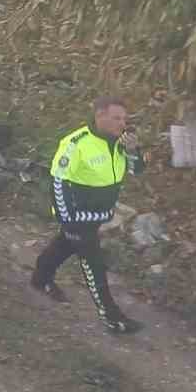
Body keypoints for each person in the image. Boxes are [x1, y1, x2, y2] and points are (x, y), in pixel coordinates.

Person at [31, 97, 147, 335]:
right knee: (94, 262)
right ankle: (112, 317)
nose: (122, 123)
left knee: (64, 245)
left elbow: (137, 170)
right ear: (100, 116)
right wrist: (67, 218)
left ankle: (40, 277)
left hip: (98, 215)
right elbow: (58, 182)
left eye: (124, 119)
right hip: (76, 215)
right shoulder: (76, 143)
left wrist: (133, 151)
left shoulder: (119, 143)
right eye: (116, 118)